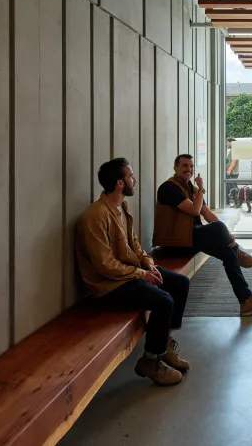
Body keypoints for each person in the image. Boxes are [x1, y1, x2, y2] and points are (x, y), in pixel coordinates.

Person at [76, 157, 191, 387]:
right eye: (130, 176)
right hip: (109, 285)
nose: (134, 180)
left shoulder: (122, 207)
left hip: (130, 273)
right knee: (163, 300)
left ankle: (163, 342)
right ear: (120, 183)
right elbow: (105, 265)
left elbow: (135, 246)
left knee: (180, 283)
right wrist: (141, 275)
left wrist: (148, 264)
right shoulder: (94, 217)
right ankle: (151, 361)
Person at [157, 154, 252, 317]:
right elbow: (195, 210)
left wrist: (227, 234)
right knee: (228, 245)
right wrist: (201, 190)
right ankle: (238, 252)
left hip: (192, 236)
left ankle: (246, 301)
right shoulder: (169, 188)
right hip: (177, 241)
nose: (189, 169)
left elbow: (209, 215)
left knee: (228, 252)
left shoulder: (190, 187)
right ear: (175, 168)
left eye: (191, 166)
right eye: (184, 166)